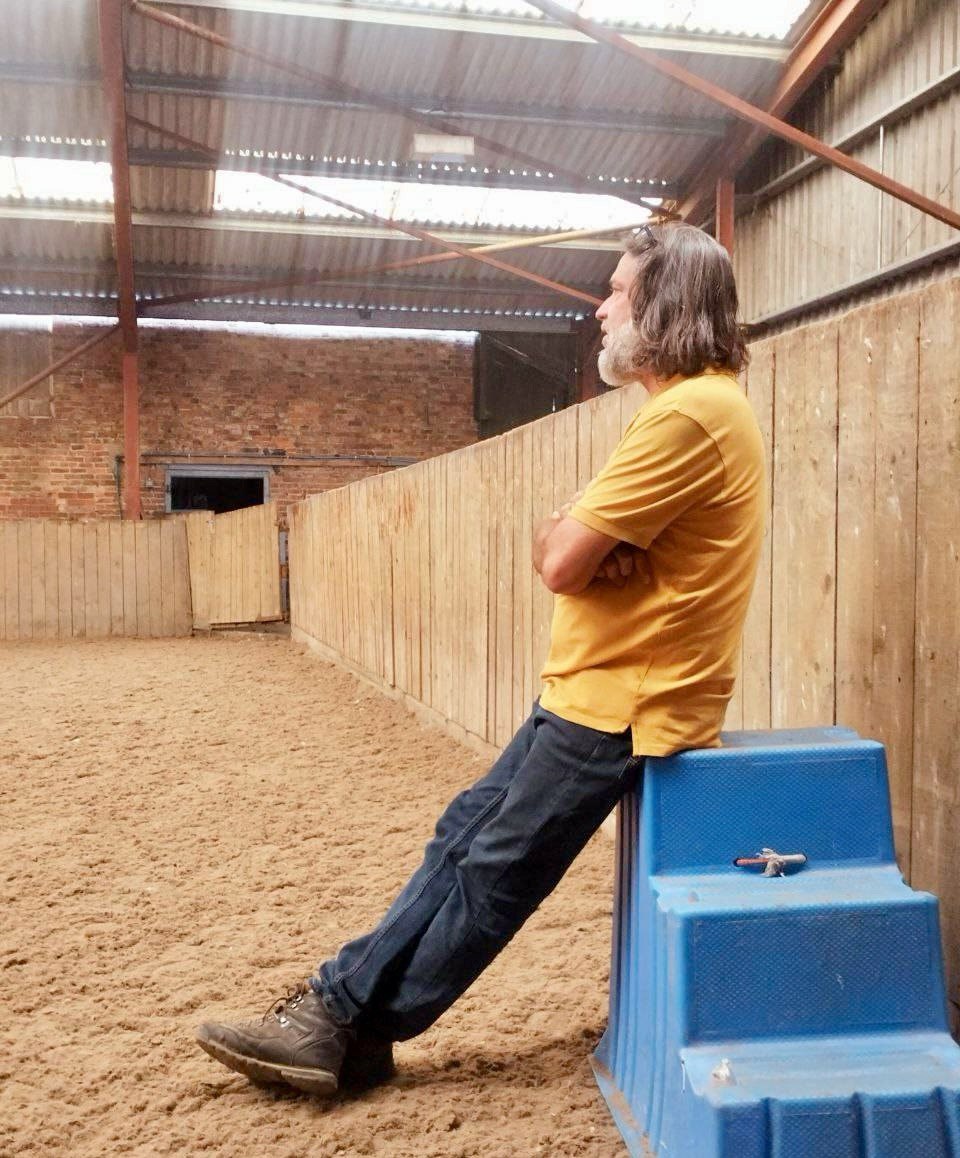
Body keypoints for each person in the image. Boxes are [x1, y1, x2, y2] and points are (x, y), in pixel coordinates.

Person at [195, 222, 766, 1096]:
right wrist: (574, 535)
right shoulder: (684, 409)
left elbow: (559, 561)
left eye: (618, 289)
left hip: (627, 697)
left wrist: (576, 541)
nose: (602, 306)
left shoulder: (690, 412)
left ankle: (346, 1021)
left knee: (495, 872)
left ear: (666, 305)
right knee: (463, 839)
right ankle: (346, 1018)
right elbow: (566, 544)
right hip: (596, 686)